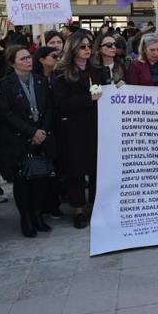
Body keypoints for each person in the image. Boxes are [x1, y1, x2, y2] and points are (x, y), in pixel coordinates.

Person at [0, 46, 56, 237]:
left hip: (41, 137)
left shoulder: (40, 80)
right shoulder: (6, 84)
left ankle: (38, 215)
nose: (28, 61)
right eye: (22, 59)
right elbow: (6, 113)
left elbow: (49, 107)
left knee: (41, 178)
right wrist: (30, 131)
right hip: (20, 139)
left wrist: (42, 131)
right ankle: (26, 218)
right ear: (13, 63)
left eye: (29, 57)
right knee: (23, 181)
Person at [51, 32, 104, 229]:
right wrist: (87, 100)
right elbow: (60, 102)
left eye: (89, 45)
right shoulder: (61, 72)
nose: (87, 49)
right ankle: (79, 209)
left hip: (95, 126)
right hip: (73, 129)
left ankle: (97, 205)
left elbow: (106, 89)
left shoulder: (96, 69)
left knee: (97, 168)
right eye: (82, 46)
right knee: (77, 171)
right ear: (72, 48)